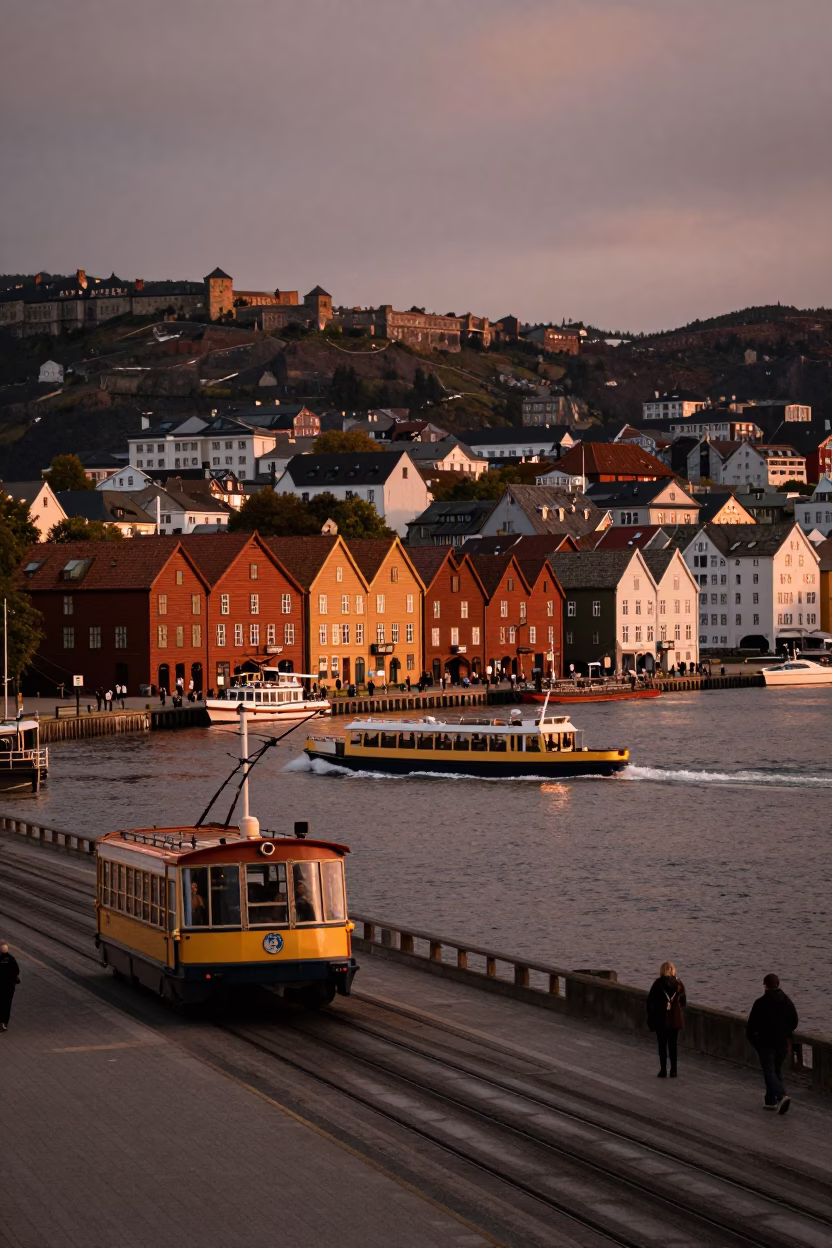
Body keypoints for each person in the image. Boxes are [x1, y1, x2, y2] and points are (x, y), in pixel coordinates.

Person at [746, 973, 798, 1114]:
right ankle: (770, 1101)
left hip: (765, 1043)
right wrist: (786, 1033)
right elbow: (794, 1021)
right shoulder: (787, 1002)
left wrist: (755, 1041)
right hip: (781, 1043)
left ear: (765, 986)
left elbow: (751, 1027)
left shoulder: (760, 1003)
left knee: (769, 1071)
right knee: (776, 1071)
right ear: (778, 984)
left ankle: (781, 1096)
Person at [646, 961, 686, 1078]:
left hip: (661, 1018)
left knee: (662, 1045)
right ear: (673, 970)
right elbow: (683, 1002)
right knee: (673, 1045)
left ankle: (663, 1070)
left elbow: (650, 1002)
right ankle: (674, 1070)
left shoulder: (657, 984)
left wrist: (650, 1017)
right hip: (675, 1019)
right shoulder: (679, 984)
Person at [0, 943, 20, 1031]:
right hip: (9, 987)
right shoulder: (11, 959)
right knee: (6, 1005)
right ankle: (4, 1023)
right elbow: (17, 971)